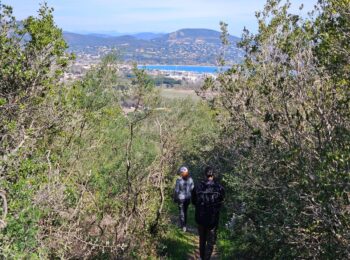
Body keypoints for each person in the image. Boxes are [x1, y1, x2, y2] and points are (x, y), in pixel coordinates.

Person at [192, 166, 225, 260]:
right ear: (213, 175)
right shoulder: (219, 188)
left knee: (202, 240)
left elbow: (193, 201)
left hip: (200, 218)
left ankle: (202, 258)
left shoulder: (198, 186)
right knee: (210, 242)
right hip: (213, 220)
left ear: (204, 174)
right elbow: (221, 202)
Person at [173, 166, 194, 232]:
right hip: (188, 198)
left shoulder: (179, 180)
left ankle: (183, 226)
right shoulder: (190, 179)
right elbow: (192, 188)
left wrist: (175, 197)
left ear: (181, 173)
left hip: (181, 198)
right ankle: (184, 225)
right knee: (185, 211)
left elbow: (176, 190)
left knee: (181, 211)